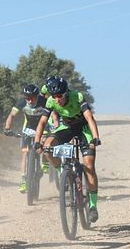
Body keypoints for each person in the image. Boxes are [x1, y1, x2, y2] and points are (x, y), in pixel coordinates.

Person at [33, 76, 102, 222]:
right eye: (54, 96)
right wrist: (37, 142)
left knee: (89, 165)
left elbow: (89, 118)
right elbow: (42, 122)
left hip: (84, 129)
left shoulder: (77, 97)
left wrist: (95, 138)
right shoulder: (51, 101)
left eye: (59, 96)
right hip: (68, 127)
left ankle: (93, 205)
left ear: (66, 93)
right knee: (47, 148)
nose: (57, 99)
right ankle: (62, 173)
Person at [3, 83, 56, 193]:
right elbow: (12, 115)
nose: (30, 101)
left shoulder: (44, 101)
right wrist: (7, 128)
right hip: (29, 127)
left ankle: (45, 163)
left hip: (43, 126)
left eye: (32, 98)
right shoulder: (22, 102)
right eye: (27, 98)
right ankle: (24, 180)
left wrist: (55, 126)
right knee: (25, 152)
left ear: (37, 96)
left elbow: (53, 115)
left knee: (44, 142)